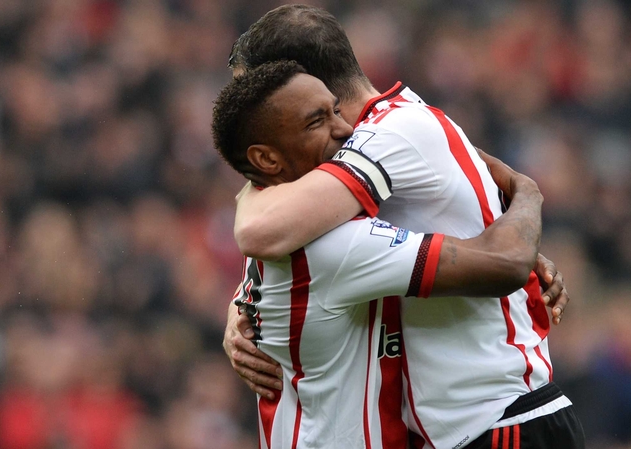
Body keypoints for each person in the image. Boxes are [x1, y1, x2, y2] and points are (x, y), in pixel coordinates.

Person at [222, 5, 583, 449]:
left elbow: (263, 229)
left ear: (299, 82)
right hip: (463, 428)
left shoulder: (388, 133)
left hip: (499, 419)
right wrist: (244, 306)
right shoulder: (392, 126)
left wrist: (528, 192)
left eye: (257, 94)